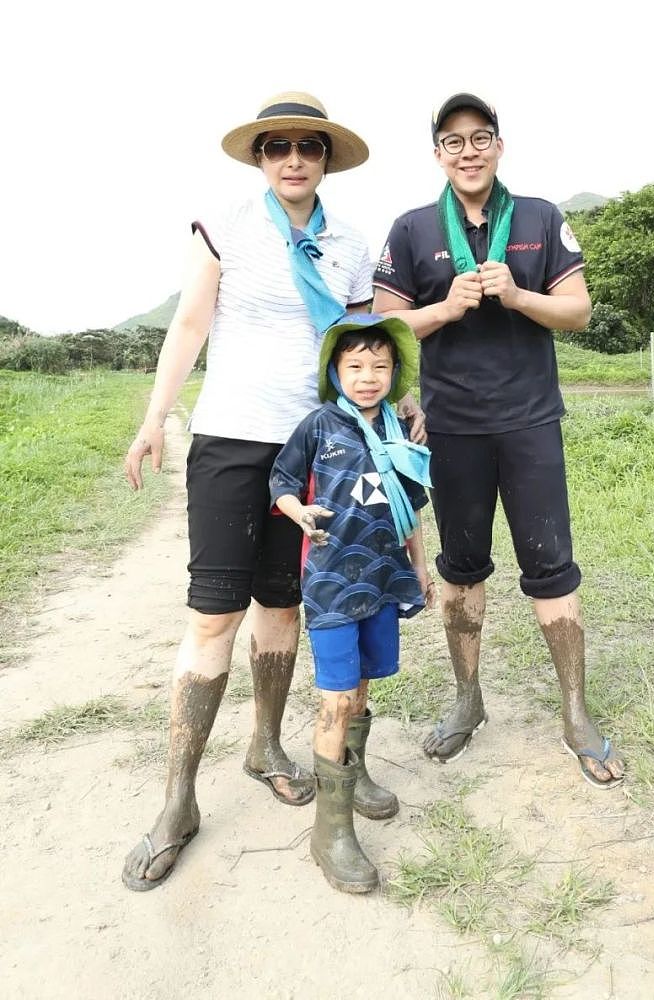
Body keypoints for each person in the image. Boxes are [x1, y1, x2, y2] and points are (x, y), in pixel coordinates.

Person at [121, 91, 424, 892]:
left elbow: (360, 349)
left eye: (309, 146)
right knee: (215, 613)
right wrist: (157, 418)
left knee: (289, 606)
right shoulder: (226, 225)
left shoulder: (352, 244)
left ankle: (267, 745)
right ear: (259, 157)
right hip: (229, 439)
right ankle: (178, 800)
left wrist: (394, 411)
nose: (293, 157)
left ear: (327, 158)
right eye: (277, 145)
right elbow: (190, 325)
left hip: (321, 448)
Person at [371, 92, 624, 789]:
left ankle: (575, 713)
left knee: (552, 566)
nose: (468, 150)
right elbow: (385, 329)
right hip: (451, 427)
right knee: (461, 569)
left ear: (499, 146)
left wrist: (516, 296)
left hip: (530, 420)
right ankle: (467, 699)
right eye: (453, 141)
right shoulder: (413, 229)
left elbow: (577, 310)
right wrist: (446, 308)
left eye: (480, 137)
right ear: (438, 156)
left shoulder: (540, 218)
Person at [270, 312, 434, 892]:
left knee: (363, 686)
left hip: (383, 580)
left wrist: (419, 566)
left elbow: (409, 508)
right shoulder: (319, 426)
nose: (368, 376)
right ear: (335, 371)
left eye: (380, 366)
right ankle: (330, 832)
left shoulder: (401, 431)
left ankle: (355, 773)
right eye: (355, 365)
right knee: (336, 700)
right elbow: (281, 482)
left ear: (395, 373)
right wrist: (299, 513)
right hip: (333, 586)